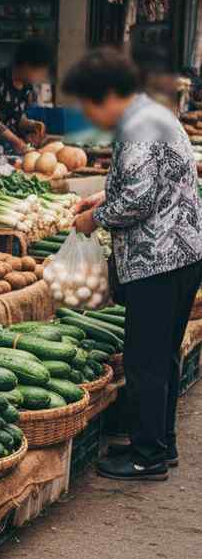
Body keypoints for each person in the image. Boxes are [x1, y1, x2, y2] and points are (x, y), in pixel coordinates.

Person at [65, 47, 202, 481]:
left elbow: (140, 200)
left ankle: (147, 457)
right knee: (163, 356)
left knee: (144, 360)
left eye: (89, 103)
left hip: (157, 259)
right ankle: (160, 443)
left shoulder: (138, 125)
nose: (90, 113)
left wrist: (94, 218)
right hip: (182, 253)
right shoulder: (155, 115)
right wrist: (107, 196)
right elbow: (160, 180)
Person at [0, 38, 53, 152]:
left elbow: (16, 117)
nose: (40, 76)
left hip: (6, 147)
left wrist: (30, 125)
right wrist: (16, 141)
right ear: (26, 65)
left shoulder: (27, 87)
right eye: (39, 71)